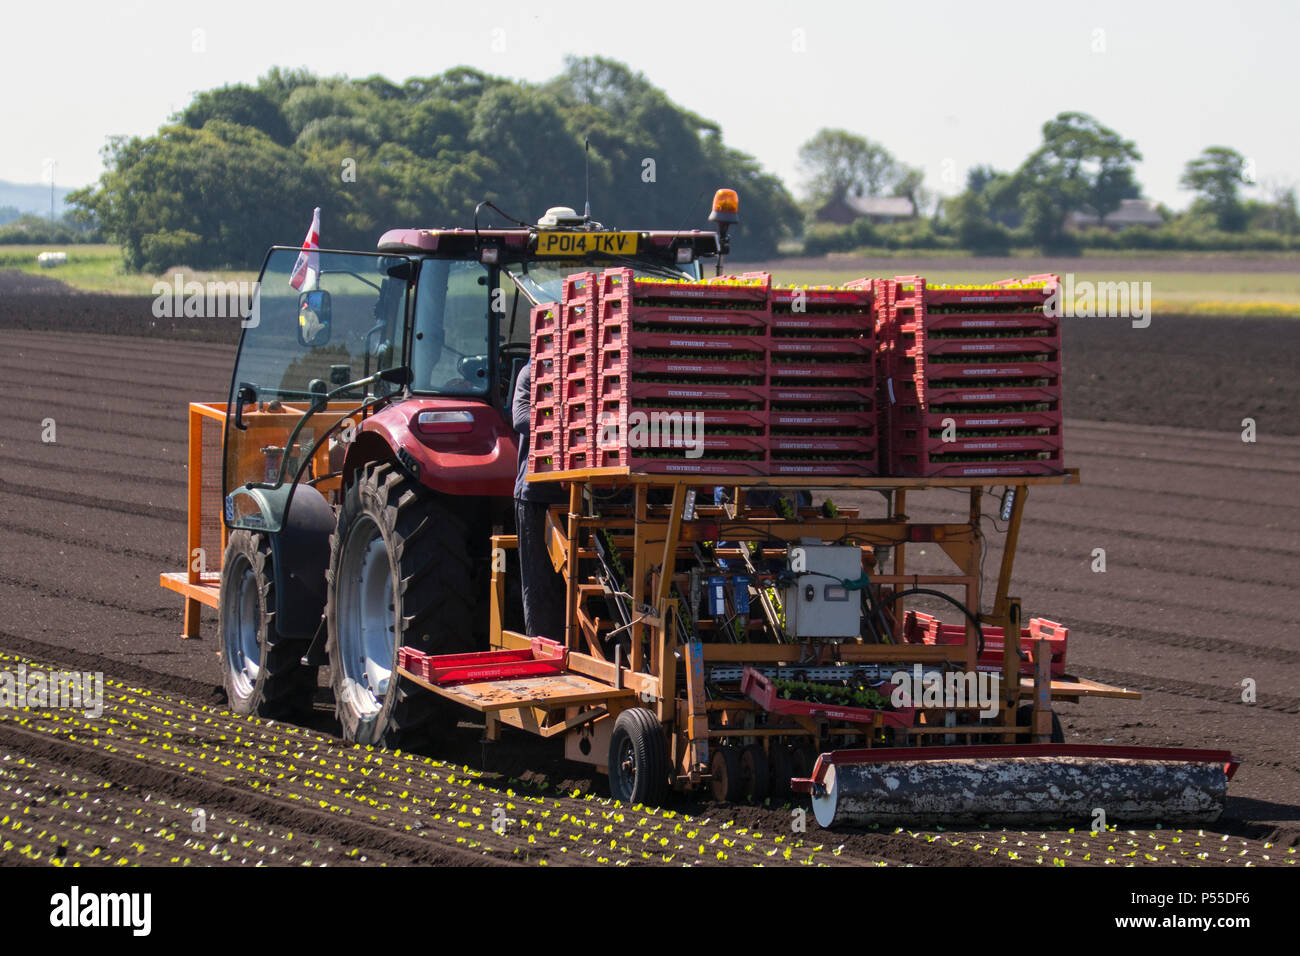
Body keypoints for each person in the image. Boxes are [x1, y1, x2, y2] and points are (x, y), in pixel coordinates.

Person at [512, 360, 568, 639]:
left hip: (577, 495)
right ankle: (544, 649)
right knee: (539, 583)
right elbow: (521, 418)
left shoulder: (585, 374)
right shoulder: (531, 373)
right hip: (536, 496)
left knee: (576, 581)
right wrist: (570, 420)